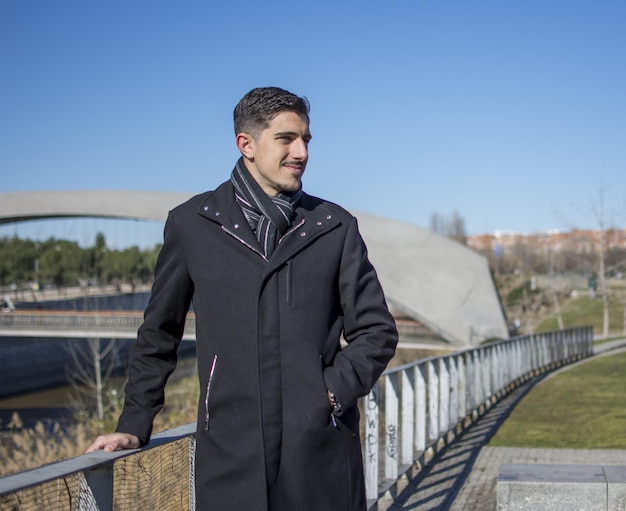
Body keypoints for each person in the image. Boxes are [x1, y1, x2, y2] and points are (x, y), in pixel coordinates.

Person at [86, 86, 398, 511]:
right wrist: (134, 423)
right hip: (230, 456)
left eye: (306, 139)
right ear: (246, 144)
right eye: (286, 139)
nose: (302, 151)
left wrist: (326, 395)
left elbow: (376, 331)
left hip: (318, 453)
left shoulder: (334, 227)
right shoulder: (192, 225)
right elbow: (159, 333)